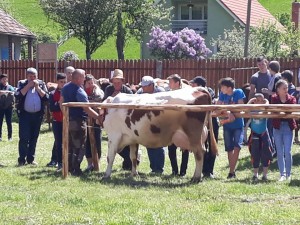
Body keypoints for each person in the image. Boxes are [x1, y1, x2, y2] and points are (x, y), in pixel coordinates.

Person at [61, 69, 100, 176]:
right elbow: (86, 109)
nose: (85, 78)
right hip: (78, 121)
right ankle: (76, 168)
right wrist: (98, 117)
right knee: (79, 145)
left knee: (69, 145)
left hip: (68, 120)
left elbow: (61, 102)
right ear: (78, 78)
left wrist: (65, 115)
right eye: (83, 76)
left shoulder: (65, 87)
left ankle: (68, 167)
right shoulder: (79, 91)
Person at [14, 67, 49, 166]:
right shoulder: (22, 83)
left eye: (35, 76)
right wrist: (28, 86)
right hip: (25, 115)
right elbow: (17, 95)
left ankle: (31, 159)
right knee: (24, 138)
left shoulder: (41, 84)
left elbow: (46, 97)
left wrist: (38, 88)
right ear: (27, 76)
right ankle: (21, 159)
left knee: (34, 137)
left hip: (37, 115)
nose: (33, 79)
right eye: (30, 77)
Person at [103, 69, 134, 170]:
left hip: (125, 122)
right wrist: (111, 98)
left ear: (122, 81)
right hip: (113, 122)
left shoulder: (127, 91)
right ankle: (127, 161)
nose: (116, 84)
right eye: (114, 82)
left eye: (118, 82)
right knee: (115, 142)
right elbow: (104, 102)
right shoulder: (108, 89)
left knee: (127, 143)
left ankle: (128, 164)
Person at [190, 76, 219, 179]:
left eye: (193, 84)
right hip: (200, 122)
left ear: (199, 85)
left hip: (211, 121)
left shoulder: (208, 91)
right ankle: (202, 169)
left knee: (211, 146)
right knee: (202, 146)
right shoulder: (193, 92)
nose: (192, 85)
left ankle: (209, 170)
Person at [216, 77, 245, 179]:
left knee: (237, 147)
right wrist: (228, 111)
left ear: (229, 87)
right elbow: (217, 107)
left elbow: (241, 107)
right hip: (227, 126)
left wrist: (229, 111)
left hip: (238, 125)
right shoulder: (222, 95)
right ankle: (232, 172)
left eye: (223, 87)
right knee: (229, 148)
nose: (221, 89)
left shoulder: (238, 92)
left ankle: (231, 171)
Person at [136, 75, 165, 173]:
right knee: (149, 144)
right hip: (147, 122)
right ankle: (153, 168)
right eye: (142, 86)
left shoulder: (161, 92)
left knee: (159, 144)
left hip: (160, 121)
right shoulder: (140, 92)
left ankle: (159, 168)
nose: (143, 88)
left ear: (152, 85)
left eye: (145, 86)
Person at [271, 79, 296, 181]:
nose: (286, 90)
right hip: (277, 127)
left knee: (288, 151)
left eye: (287, 88)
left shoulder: (292, 98)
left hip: (288, 127)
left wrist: (282, 112)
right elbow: (275, 111)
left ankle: (288, 174)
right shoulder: (273, 98)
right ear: (278, 89)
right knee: (280, 152)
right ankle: (282, 174)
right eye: (284, 88)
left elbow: (291, 110)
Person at [167, 74, 189, 176]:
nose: (169, 84)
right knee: (171, 149)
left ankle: (183, 171)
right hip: (171, 125)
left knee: (185, 148)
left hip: (183, 125)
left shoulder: (185, 94)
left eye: (171, 82)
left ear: (177, 83)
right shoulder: (168, 95)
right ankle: (174, 170)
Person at [247, 93, 273, 182]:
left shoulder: (265, 110)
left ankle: (265, 175)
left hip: (263, 133)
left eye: (261, 100)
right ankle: (255, 174)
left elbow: (267, 106)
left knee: (265, 154)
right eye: (257, 100)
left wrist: (266, 101)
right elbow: (246, 109)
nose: (259, 102)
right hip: (254, 134)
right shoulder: (252, 110)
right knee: (255, 154)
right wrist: (251, 101)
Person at [84, 74, 104, 172]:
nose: (91, 84)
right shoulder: (82, 91)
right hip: (85, 119)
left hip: (96, 120)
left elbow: (100, 98)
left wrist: (96, 89)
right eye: (89, 83)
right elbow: (84, 102)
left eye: (92, 82)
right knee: (87, 142)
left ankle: (97, 163)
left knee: (97, 140)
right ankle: (89, 164)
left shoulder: (97, 91)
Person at [47, 73, 67, 172]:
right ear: (57, 82)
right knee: (59, 143)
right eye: (61, 82)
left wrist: (59, 103)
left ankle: (67, 163)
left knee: (67, 143)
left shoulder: (68, 92)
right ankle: (59, 163)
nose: (63, 84)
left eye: (64, 82)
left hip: (67, 121)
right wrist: (60, 102)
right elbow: (52, 107)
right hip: (57, 122)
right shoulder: (52, 94)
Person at [0, 74, 15, 141]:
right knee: (0, 122)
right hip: (0, 106)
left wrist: (5, 92)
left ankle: (10, 137)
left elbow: (13, 92)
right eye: (3, 79)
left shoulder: (10, 87)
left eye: (6, 78)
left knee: (9, 122)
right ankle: (0, 137)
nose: (5, 80)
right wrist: (6, 92)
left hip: (9, 107)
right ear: (0, 80)